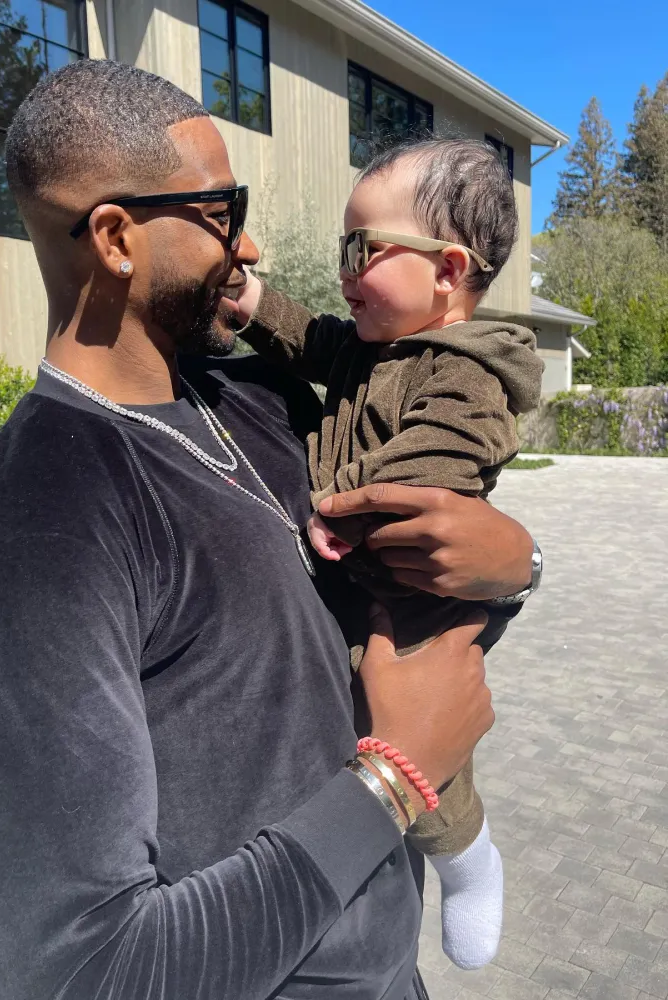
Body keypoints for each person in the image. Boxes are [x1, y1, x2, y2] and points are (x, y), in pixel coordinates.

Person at [0, 61, 538, 1000]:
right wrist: (390, 783)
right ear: (118, 237)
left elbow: (434, 493)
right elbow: (84, 972)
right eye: (220, 211)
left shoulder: (253, 402)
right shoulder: (32, 527)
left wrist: (520, 561)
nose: (247, 243)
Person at [231, 137, 544, 969]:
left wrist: (349, 512)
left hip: (413, 602)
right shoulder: (376, 348)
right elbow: (314, 340)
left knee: (413, 748)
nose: (344, 272)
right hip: (362, 580)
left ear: (447, 270)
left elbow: (438, 462)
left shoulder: (466, 375)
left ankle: (468, 861)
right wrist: (251, 299)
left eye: (361, 250)